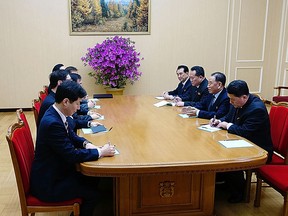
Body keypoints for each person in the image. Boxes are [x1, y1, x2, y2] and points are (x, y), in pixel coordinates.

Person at [30, 80, 116, 216]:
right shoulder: (52, 123)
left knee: (95, 178)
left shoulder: (57, 113)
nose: (78, 108)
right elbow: (71, 155)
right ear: (65, 102)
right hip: (49, 183)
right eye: (77, 104)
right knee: (94, 194)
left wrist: (87, 144)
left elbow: (71, 135)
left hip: (56, 172)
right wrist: (100, 151)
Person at [211, 80, 273, 203]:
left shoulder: (257, 109)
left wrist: (227, 125)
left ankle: (239, 192)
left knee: (231, 157)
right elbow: (228, 118)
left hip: (258, 148)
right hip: (242, 141)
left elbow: (245, 132)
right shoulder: (237, 103)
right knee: (216, 149)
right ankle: (227, 182)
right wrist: (218, 121)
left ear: (244, 97)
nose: (230, 102)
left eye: (232, 100)